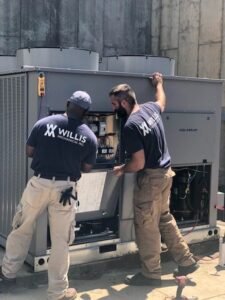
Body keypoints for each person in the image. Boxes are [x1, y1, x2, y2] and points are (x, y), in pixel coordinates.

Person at [0, 91, 97, 300]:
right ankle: (58, 292)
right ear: (86, 113)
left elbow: (29, 151)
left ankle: (7, 277)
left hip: (39, 183)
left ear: (68, 103)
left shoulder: (44, 124)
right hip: (66, 190)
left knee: (22, 228)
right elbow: (88, 167)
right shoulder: (89, 136)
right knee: (61, 240)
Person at [109, 73, 199, 286]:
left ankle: (151, 274)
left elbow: (138, 163)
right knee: (164, 218)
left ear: (124, 102)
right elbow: (162, 101)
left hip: (150, 179)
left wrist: (122, 168)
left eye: (114, 104)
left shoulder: (131, 126)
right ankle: (186, 260)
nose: (113, 109)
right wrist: (159, 84)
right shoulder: (150, 108)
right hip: (166, 174)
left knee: (146, 225)